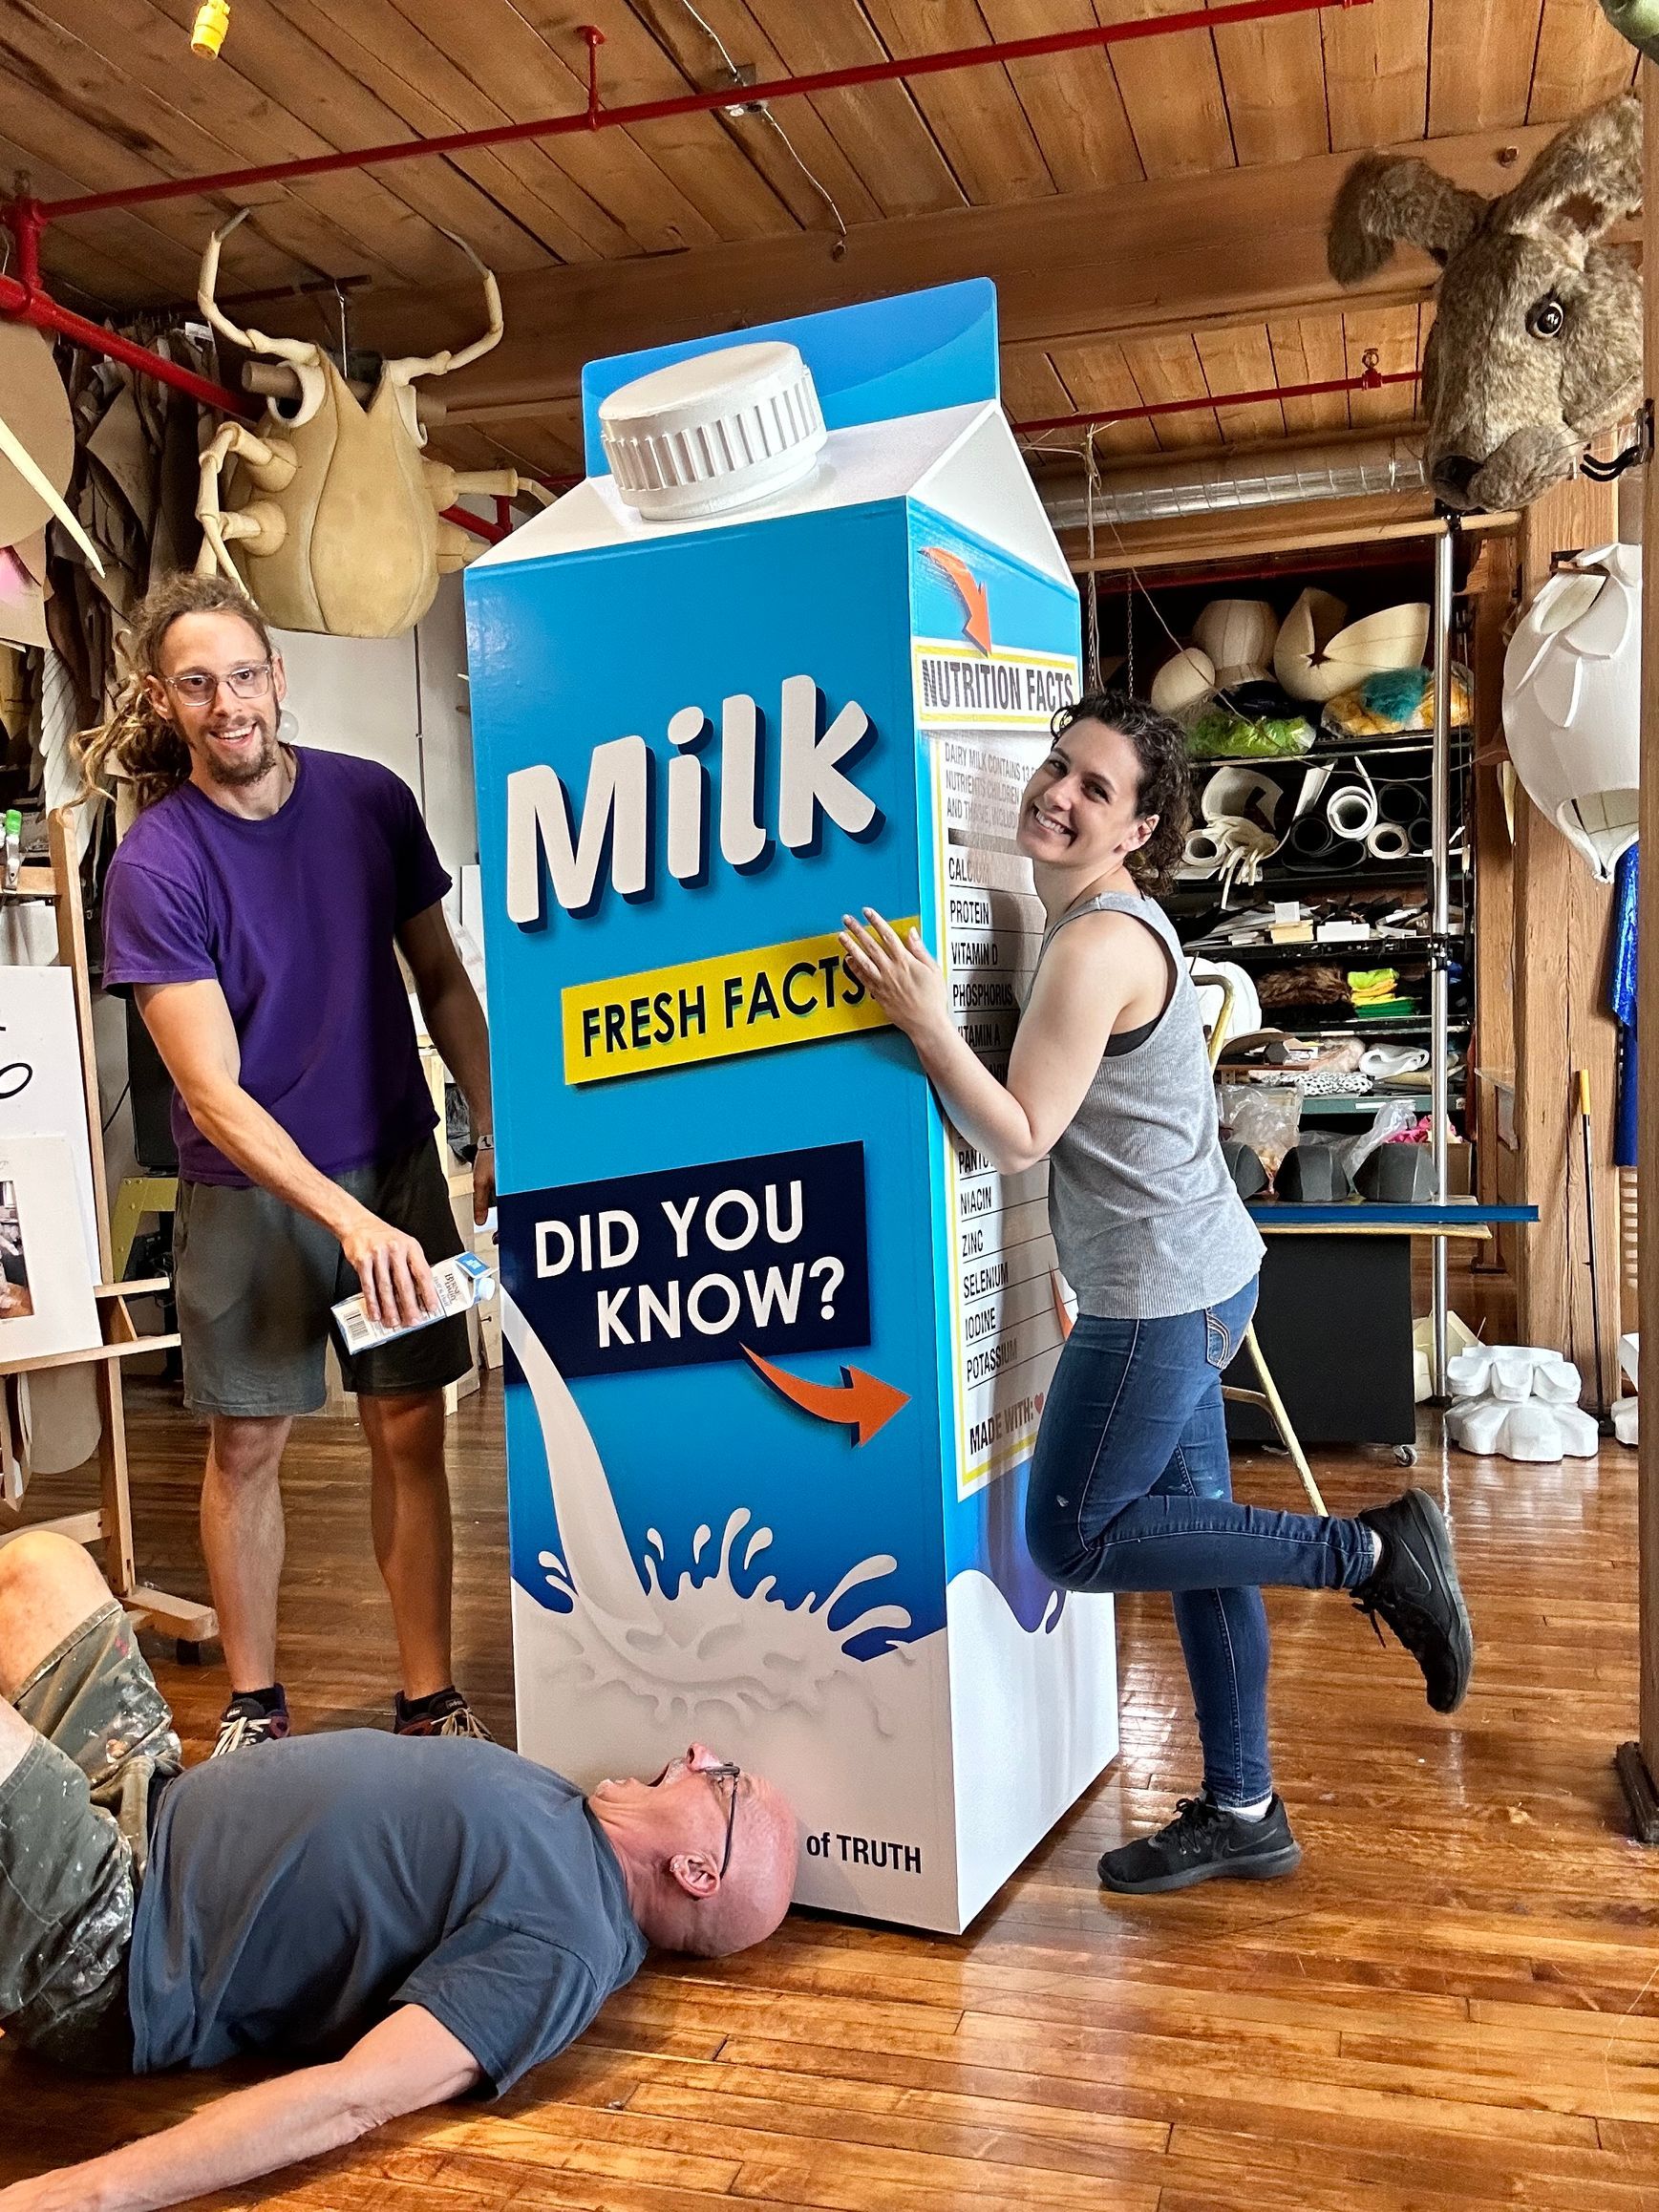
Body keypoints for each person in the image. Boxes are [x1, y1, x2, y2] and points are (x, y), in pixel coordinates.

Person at [840, 689, 1473, 1897]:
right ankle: (1244, 1807)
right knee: (1197, 1549)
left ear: (1138, 830)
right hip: (1195, 1275)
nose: (1059, 795)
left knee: (1074, 1535)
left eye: (1095, 789)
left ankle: (1372, 1554)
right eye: (1057, 768)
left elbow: (1023, 1135)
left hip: (1160, 1295)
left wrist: (925, 1022)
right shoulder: (1107, 919)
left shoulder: (1093, 945)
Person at [0, 1529, 798, 2212]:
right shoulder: (569, 1820)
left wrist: (70, 2196)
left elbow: (350, 2100)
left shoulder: (564, 1949)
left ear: (696, 1871)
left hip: (115, 1943)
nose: (700, 1753)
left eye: (724, 1780)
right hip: (145, 1798)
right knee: (40, 1566)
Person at [85, 572, 497, 1754]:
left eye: (245, 674)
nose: (229, 704)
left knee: (410, 1425)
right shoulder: (157, 864)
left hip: (395, 1165)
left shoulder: (371, 801)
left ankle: (431, 1696)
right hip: (248, 1197)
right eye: (199, 684)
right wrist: (345, 1221)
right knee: (248, 1443)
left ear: (279, 675)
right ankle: (256, 1709)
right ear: (166, 702)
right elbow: (211, 1091)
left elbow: (444, 981)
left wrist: (491, 1129)